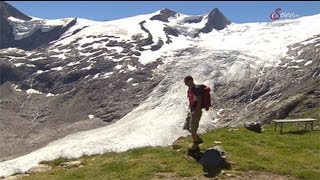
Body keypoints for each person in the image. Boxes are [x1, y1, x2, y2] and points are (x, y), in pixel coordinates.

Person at [183, 75, 204, 151]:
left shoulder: (196, 89)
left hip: (196, 111)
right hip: (191, 110)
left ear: (190, 80)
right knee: (187, 126)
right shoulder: (190, 89)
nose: (185, 84)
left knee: (193, 129)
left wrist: (196, 110)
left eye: (186, 82)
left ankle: (195, 145)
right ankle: (198, 139)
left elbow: (200, 100)